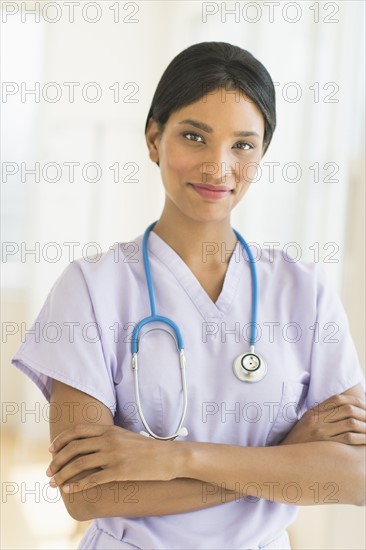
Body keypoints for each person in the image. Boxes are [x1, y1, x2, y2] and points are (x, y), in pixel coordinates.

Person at [11, 41, 365, 550]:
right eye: (194, 136)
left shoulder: (304, 290)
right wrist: (287, 456)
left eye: (243, 144)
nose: (218, 166)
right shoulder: (92, 287)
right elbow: (86, 495)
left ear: (262, 153)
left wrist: (172, 458)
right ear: (154, 137)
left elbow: (353, 477)